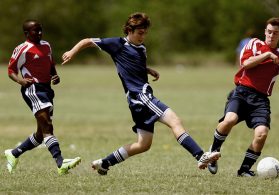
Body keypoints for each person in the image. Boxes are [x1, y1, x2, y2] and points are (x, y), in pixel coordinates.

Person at [62, 12, 220, 175]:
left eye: (145, 33)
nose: (143, 36)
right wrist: (72, 52)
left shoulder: (141, 48)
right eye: (140, 33)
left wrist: (147, 70)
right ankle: (200, 156)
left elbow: (132, 65)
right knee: (174, 120)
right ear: (129, 30)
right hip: (141, 97)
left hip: (137, 100)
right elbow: (87, 41)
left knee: (143, 144)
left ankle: (104, 163)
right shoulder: (117, 44)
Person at [207, 17, 279, 176]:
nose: (271, 35)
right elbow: (245, 63)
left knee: (262, 133)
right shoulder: (254, 43)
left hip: (260, 100)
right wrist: (267, 54)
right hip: (241, 92)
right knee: (230, 120)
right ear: (265, 32)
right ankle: (213, 153)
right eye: (269, 32)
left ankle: (244, 170)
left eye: (275, 33)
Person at [5, 19, 81, 175]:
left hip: (47, 89)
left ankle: (13, 153)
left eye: (40, 30)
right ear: (27, 33)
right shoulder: (23, 49)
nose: (39, 33)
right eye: (35, 30)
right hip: (33, 89)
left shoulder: (46, 45)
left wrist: (55, 75)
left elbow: (50, 63)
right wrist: (20, 80)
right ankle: (61, 162)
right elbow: (11, 70)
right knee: (47, 125)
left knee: (41, 134)